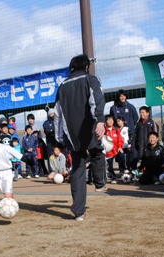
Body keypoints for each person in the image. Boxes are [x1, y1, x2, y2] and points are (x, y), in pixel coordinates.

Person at [54, 54, 107, 221]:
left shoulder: (62, 86)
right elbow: (97, 100)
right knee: (98, 151)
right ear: (86, 67)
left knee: (77, 169)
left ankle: (79, 212)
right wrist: (100, 120)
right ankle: (99, 183)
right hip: (89, 128)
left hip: (71, 133)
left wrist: (59, 137)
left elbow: (57, 114)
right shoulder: (90, 79)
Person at [134, 105, 159, 174]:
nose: (142, 114)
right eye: (140, 113)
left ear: (147, 113)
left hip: (149, 147)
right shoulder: (138, 124)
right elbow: (135, 135)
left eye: (143, 112)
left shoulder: (152, 123)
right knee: (142, 160)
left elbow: (155, 135)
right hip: (140, 146)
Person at [104, 115, 124, 183]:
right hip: (108, 152)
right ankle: (113, 177)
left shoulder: (116, 129)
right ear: (105, 121)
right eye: (108, 120)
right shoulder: (104, 130)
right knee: (110, 164)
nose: (110, 121)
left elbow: (120, 139)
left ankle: (122, 171)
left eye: (111, 120)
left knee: (122, 155)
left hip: (116, 150)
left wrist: (120, 147)